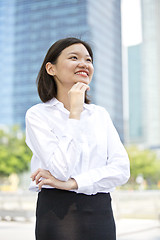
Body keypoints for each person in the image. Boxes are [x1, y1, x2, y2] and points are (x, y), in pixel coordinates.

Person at [25, 37, 130, 240]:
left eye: (89, 60)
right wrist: (75, 111)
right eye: (74, 57)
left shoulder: (100, 115)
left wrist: (73, 183)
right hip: (57, 213)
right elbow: (60, 169)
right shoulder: (37, 115)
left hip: (100, 212)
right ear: (51, 68)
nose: (84, 64)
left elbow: (121, 169)